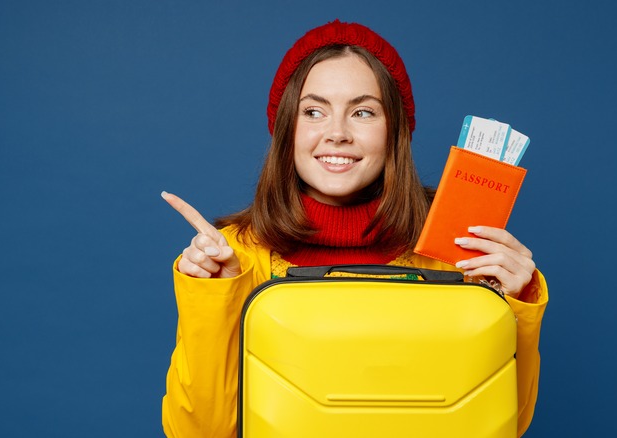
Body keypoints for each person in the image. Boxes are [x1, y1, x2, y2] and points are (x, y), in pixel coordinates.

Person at [160, 19, 548, 437]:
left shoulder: (459, 250)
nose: (337, 133)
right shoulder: (233, 256)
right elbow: (199, 431)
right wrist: (215, 297)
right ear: (286, 129)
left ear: (394, 129)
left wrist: (517, 305)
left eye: (362, 112)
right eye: (313, 111)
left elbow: (505, 423)